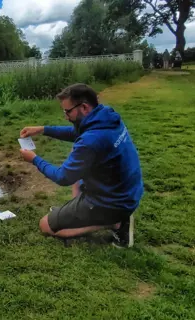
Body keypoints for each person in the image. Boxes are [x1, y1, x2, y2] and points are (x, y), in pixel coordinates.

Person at [19, 83, 144, 248]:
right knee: (77, 149)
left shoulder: (91, 140)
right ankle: (83, 211)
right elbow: (78, 134)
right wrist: (42, 129)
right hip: (127, 191)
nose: (65, 116)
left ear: (84, 107)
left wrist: (34, 159)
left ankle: (115, 223)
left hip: (112, 201)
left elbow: (62, 177)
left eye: (67, 111)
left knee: (45, 225)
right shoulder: (106, 116)